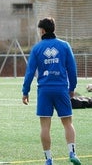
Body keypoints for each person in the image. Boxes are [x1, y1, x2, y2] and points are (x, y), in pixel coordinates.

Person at [22, 17, 81, 165]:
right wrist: (72, 88)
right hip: (61, 89)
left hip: (44, 91)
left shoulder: (37, 48)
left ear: (41, 31)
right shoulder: (65, 46)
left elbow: (30, 72)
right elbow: (72, 69)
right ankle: (72, 152)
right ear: (53, 29)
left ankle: (48, 159)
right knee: (67, 122)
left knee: (45, 126)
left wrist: (25, 91)